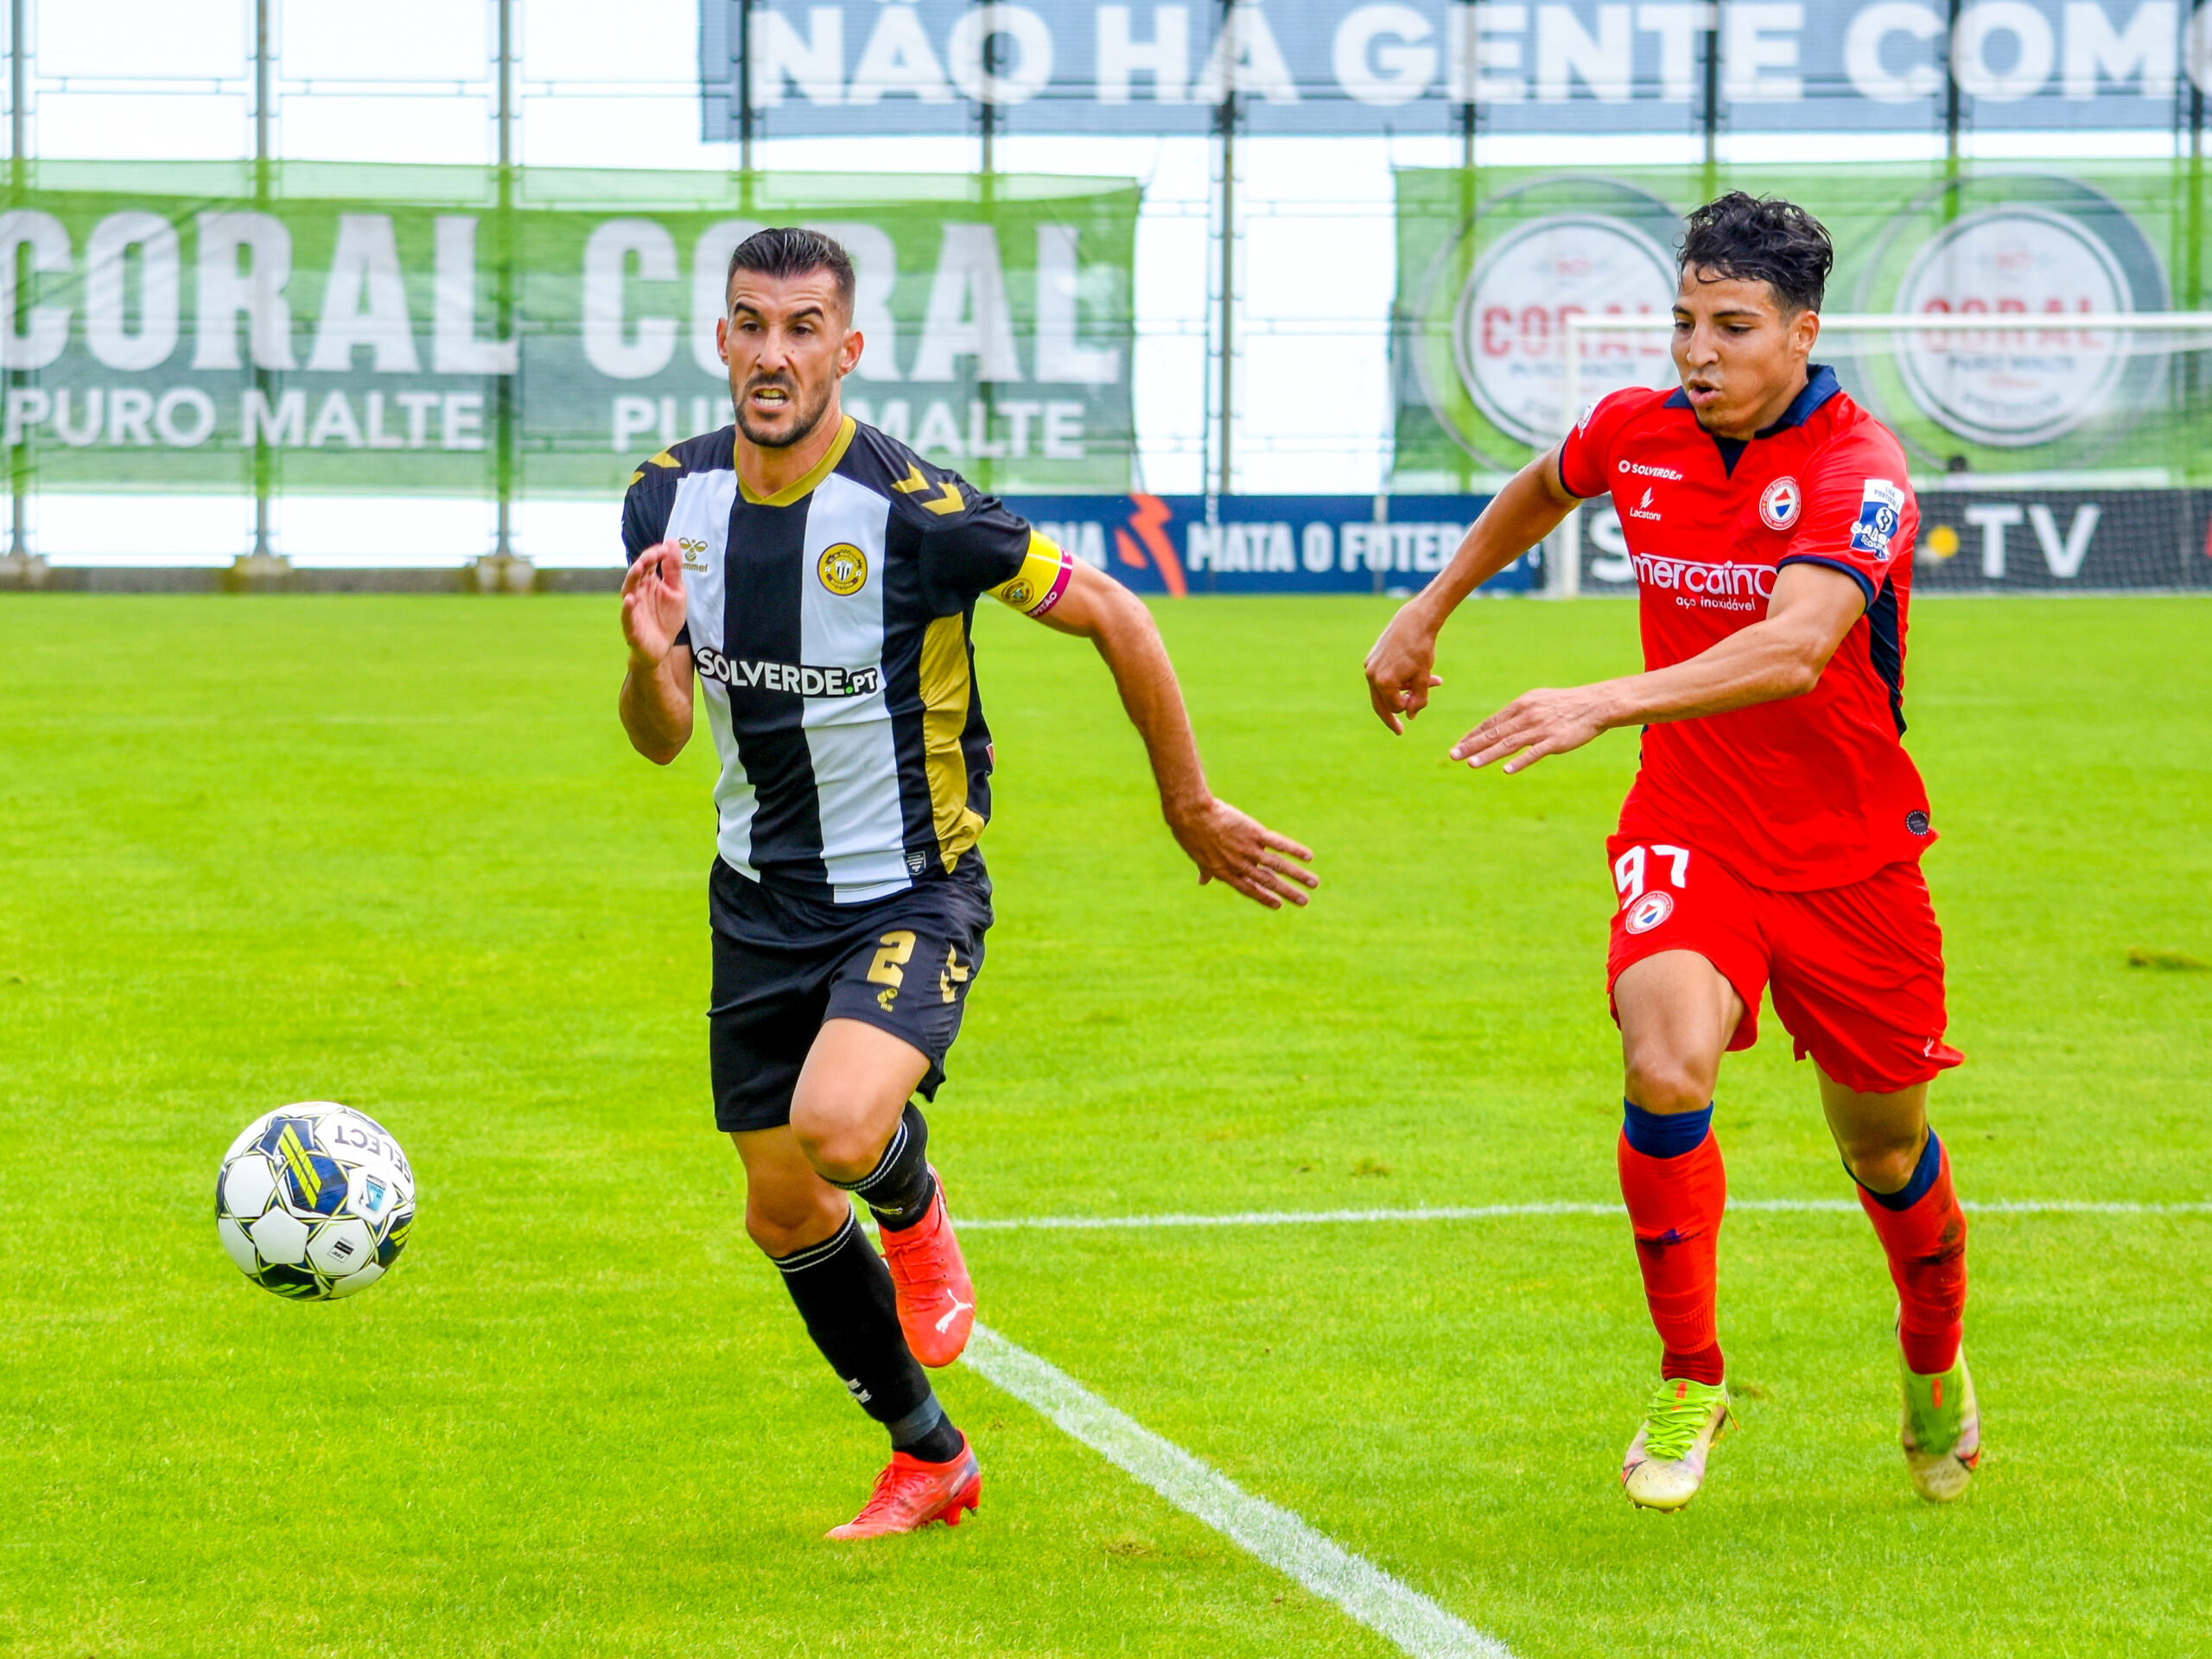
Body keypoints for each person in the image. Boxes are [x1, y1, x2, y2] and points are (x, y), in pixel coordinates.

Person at [617, 226, 1317, 1540]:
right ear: (720, 339)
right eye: (751, 324)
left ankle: (914, 1202)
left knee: (841, 1130)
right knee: (781, 1211)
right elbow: (660, 740)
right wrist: (653, 659)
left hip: (909, 892)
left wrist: (1189, 805)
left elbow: (1118, 612)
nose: (773, 354)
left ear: (847, 349)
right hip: (754, 899)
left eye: (803, 328)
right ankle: (929, 1455)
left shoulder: (917, 510)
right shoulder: (668, 498)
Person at [1363, 194, 1974, 1511]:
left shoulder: (1859, 469)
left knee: (1884, 1150)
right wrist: (1430, 607)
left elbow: (1796, 647)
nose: (1698, 351)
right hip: (1690, 826)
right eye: (1685, 321)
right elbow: (1544, 485)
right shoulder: (1638, 430)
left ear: (1802, 334)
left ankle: (1933, 1354)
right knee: (1662, 1061)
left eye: (1733, 327)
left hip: (1853, 859)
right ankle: (1693, 1375)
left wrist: (1601, 700)